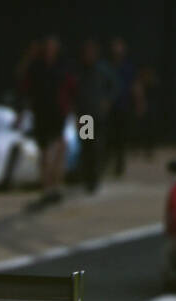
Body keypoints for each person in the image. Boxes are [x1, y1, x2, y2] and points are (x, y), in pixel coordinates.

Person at [20, 35, 73, 206]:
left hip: (58, 112)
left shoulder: (61, 67)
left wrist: (71, 109)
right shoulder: (35, 67)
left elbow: (70, 87)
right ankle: (47, 187)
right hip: (41, 112)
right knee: (44, 152)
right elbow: (24, 84)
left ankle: (56, 185)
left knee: (59, 146)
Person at [74, 39, 117, 194]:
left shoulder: (102, 70)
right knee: (87, 146)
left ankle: (94, 178)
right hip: (86, 116)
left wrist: (107, 102)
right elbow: (77, 94)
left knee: (97, 147)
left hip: (98, 115)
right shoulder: (80, 71)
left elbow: (113, 87)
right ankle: (87, 178)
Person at [105, 38, 135, 177]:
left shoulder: (127, 67)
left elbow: (134, 85)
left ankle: (118, 165)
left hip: (121, 107)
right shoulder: (106, 67)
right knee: (100, 137)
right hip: (102, 110)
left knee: (120, 138)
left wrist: (138, 102)